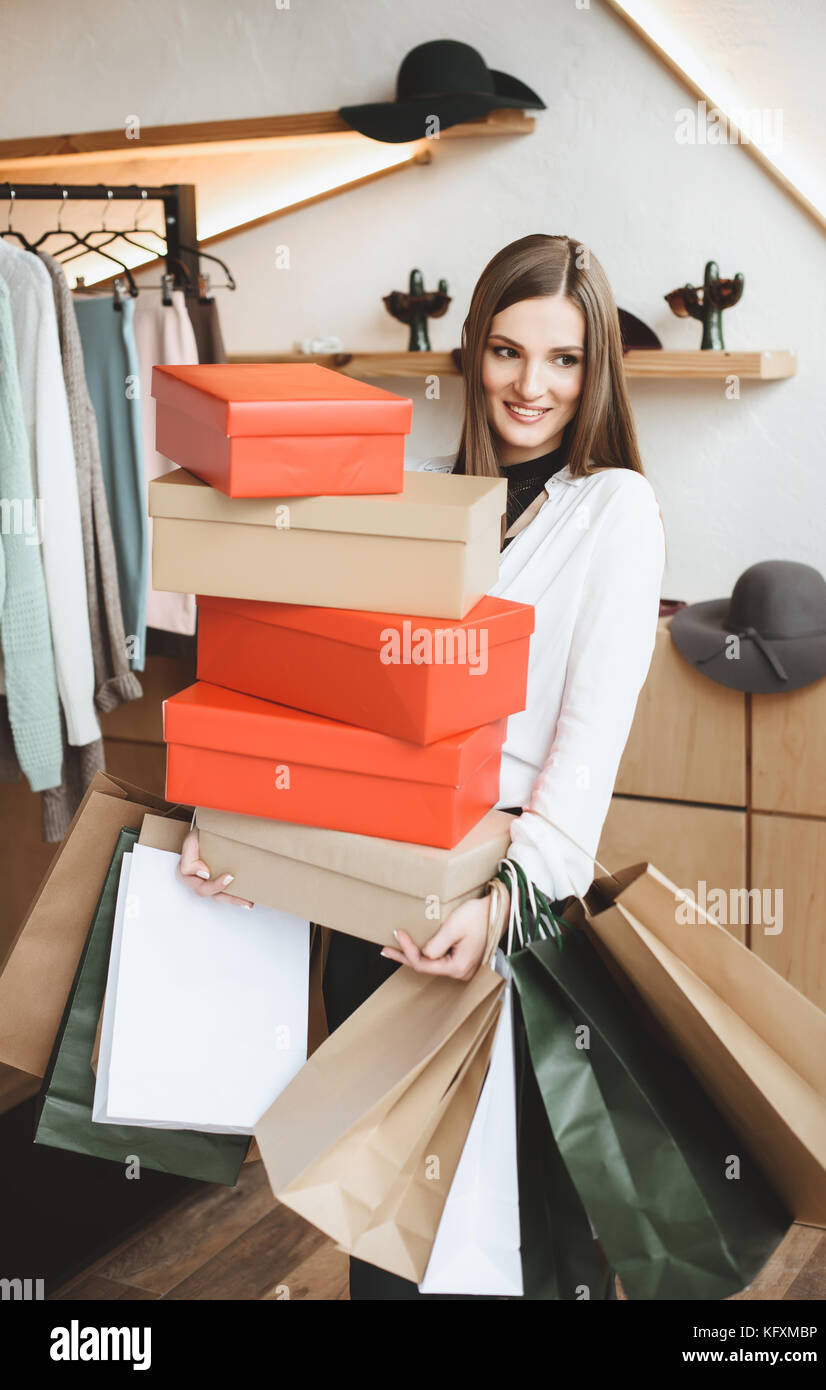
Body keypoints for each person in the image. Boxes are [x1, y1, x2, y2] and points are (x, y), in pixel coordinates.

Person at [178, 232, 666, 1300]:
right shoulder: (415, 502)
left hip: (502, 926)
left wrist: (501, 906)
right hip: (377, 906)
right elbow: (341, 724)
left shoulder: (615, 511)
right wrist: (245, 838)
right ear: (469, 354)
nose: (532, 384)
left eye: (565, 359)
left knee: (500, 1246)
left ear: (597, 374)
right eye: (506, 351)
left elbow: (584, 760)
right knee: (388, 1242)